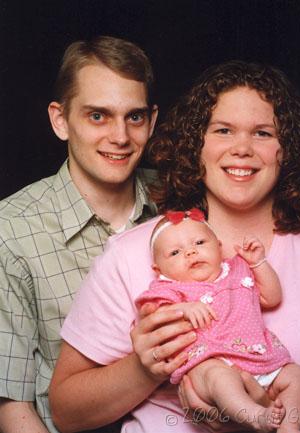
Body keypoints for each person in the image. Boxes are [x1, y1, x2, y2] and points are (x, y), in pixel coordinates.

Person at [50, 60, 300, 433]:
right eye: (222, 130)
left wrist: (275, 412)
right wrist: (145, 369)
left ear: (288, 149)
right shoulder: (131, 254)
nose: (242, 149)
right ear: (196, 144)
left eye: (263, 134)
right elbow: (67, 412)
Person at [0, 36, 158, 433]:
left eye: (134, 117)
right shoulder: (11, 231)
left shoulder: (182, 201)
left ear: (152, 121)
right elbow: (12, 408)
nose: (120, 137)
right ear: (60, 120)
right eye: (98, 116)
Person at [136, 209, 300, 433]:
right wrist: (183, 309)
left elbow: (272, 297)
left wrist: (258, 263)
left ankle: (290, 427)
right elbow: (154, 320)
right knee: (220, 379)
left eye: (199, 242)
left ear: (218, 246)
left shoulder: (238, 269)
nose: (190, 252)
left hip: (258, 356)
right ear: (159, 270)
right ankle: (256, 417)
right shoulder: (167, 290)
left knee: (296, 375)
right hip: (208, 362)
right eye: (175, 252)